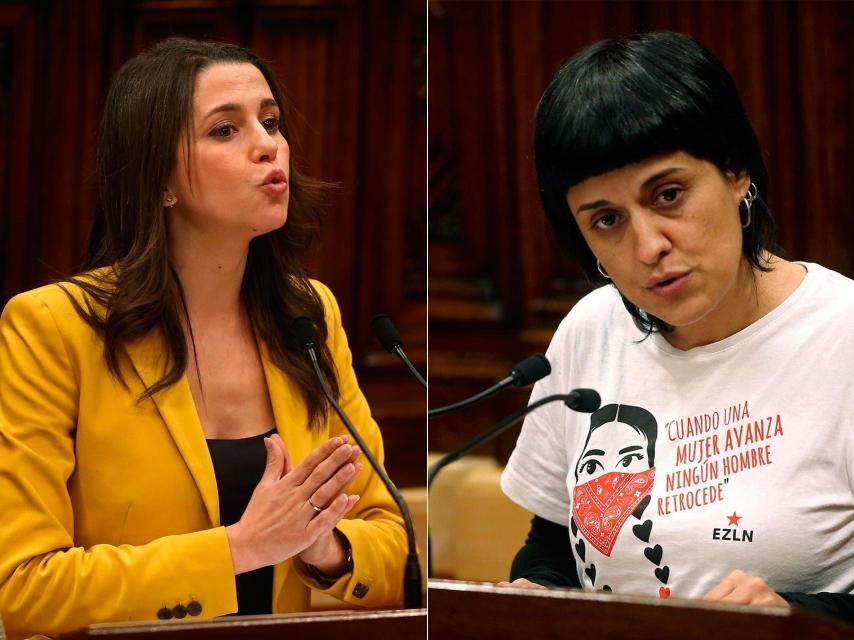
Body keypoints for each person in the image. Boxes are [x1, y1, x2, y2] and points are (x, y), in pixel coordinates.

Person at [0, 38, 407, 638]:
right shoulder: (54, 328)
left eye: (270, 121)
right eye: (225, 130)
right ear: (158, 178)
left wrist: (327, 549)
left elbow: (396, 549)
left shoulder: (308, 315)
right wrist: (239, 549)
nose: (268, 144)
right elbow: (24, 589)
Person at [498, 32, 854, 623]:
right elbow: (555, 545)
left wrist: (797, 617)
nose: (648, 246)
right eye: (607, 220)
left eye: (668, 195)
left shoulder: (841, 333)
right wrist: (535, 593)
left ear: (737, 172)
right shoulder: (589, 332)